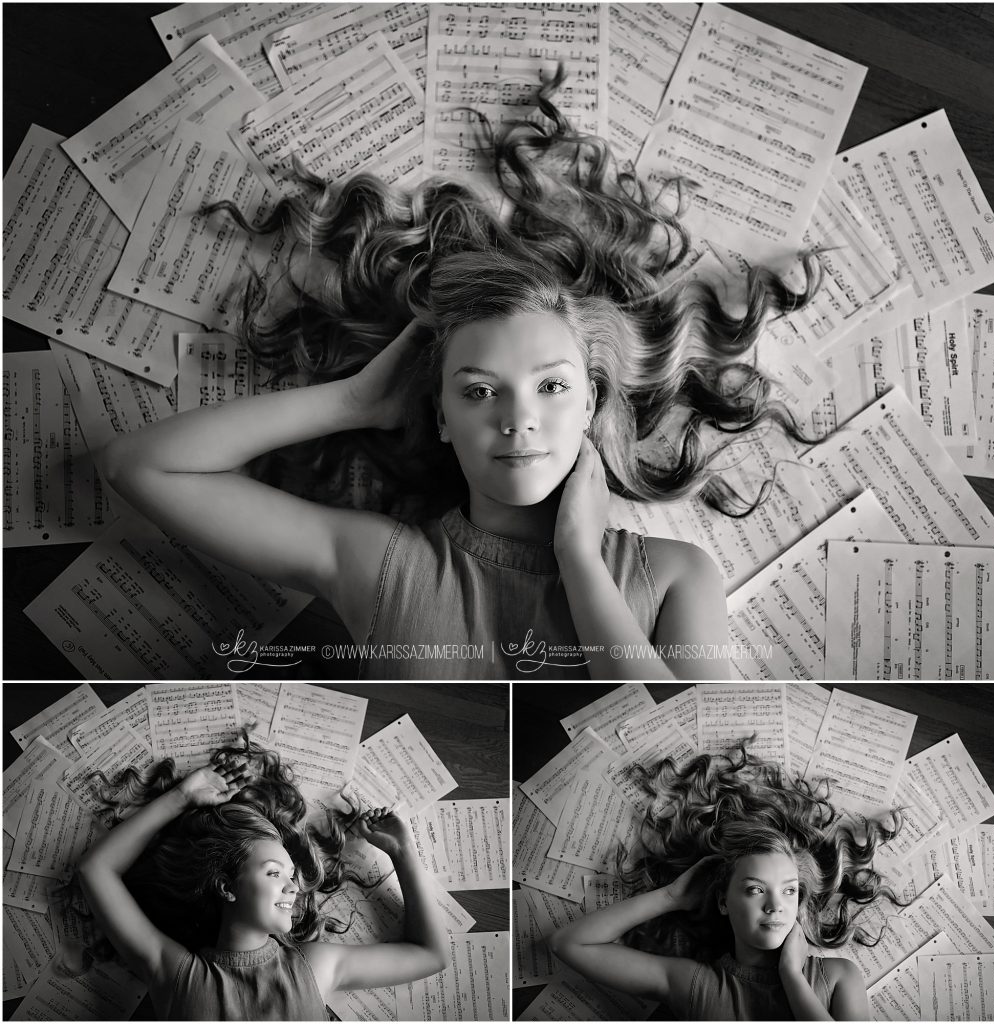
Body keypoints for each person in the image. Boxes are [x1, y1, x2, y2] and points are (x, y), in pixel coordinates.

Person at [96, 73, 821, 680]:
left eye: (552, 386)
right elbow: (139, 467)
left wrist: (581, 560)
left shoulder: (676, 578)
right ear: (441, 415)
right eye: (478, 391)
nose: (518, 418)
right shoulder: (383, 565)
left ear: (594, 399)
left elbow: (697, 748)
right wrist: (354, 401)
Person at [75, 738, 450, 1021]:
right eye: (274, 872)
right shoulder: (179, 975)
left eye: (291, 875)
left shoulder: (314, 967)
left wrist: (403, 852)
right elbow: (95, 870)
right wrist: (183, 796)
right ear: (226, 886)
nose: (294, 886)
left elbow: (430, 956)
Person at [547, 739, 904, 1020]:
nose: (776, 905)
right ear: (722, 900)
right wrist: (670, 897)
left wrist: (793, 977)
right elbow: (569, 944)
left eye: (789, 891)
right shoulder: (696, 985)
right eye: (754, 889)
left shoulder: (839, 977)